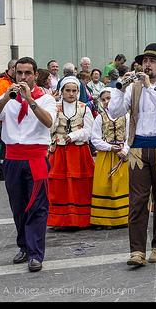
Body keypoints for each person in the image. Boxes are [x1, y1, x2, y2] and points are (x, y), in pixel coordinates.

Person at [108, 43, 156, 267]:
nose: (147, 65)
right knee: (138, 201)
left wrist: (150, 87)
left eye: (152, 61)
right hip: (138, 148)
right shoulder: (133, 87)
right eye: (145, 61)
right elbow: (114, 112)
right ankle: (137, 251)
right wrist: (120, 89)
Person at [0, 56, 57, 272]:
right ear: (14, 74)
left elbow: (49, 122)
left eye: (27, 73)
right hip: (13, 158)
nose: (23, 77)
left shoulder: (46, 99)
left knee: (37, 206)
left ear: (35, 75)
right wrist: (6, 99)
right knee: (18, 206)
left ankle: (36, 254)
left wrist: (30, 100)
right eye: (19, 73)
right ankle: (24, 246)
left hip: (36, 157)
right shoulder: (8, 97)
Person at [47, 76, 95, 229]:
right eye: (67, 90)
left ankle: (80, 219)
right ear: (61, 91)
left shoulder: (84, 108)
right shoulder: (54, 107)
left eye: (74, 91)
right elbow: (48, 127)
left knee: (79, 184)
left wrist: (74, 135)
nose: (71, 93)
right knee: (58, 185)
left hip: (78, 151)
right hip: (59, 151)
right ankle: (59, 220)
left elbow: (89, 131)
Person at [90, 88, 130, 228]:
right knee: (104, 185)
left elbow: (129, 136)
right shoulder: (100, 117)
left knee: (121, 185)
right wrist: (109, 147)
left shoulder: (126, 116)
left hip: (122, 156)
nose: (107, 102)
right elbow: (95, 138)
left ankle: (122, 218)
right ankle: (104, 219)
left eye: (109, 98)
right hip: (106, 155)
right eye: (104, 99)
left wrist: (125, 150)